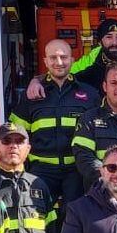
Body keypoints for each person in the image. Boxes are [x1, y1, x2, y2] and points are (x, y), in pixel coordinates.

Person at [10, 39, 101, 204]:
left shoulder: (89, 94)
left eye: (64, 57)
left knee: (74, 218)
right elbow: (15, 133)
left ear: (72, 60)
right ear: (45, 61)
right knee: (36, 219)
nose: (59, 62)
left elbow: (100, 133)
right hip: (41, 172)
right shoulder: (32, 95)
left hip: (77, 172)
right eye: (53, 58)